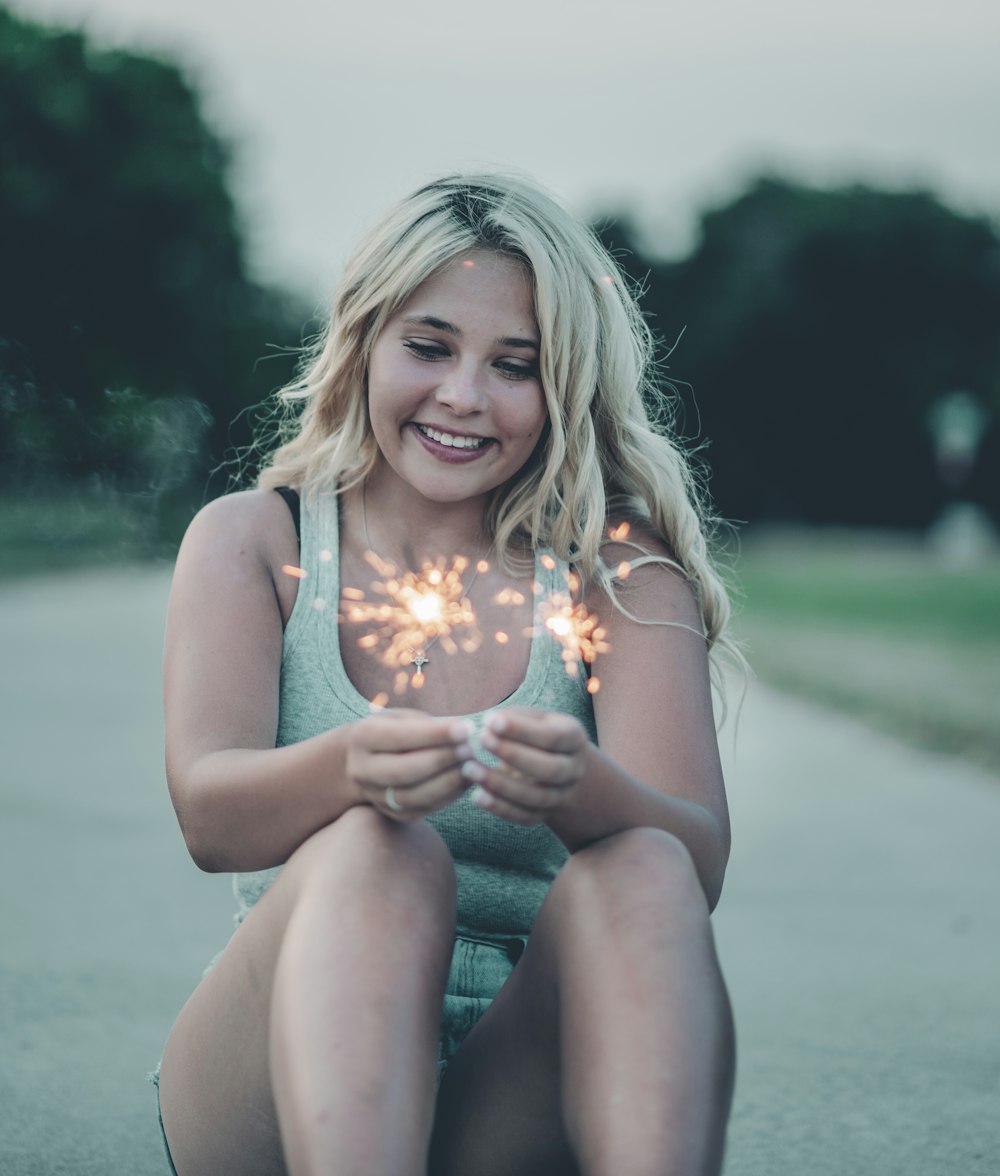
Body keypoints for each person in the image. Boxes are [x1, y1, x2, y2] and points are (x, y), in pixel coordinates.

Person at [153, 173, 739, 1176]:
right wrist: (351, 770)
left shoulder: (616, 574)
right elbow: (210, 816)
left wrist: (584, 789)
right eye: (428, 348)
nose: (463, 396)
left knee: (642, 864)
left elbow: (698, 864)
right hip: (280, 1076)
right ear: (363, 340)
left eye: (516, 366)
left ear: (565, 387)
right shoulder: (258, 538)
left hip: (508, 1098)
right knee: (378, 850)